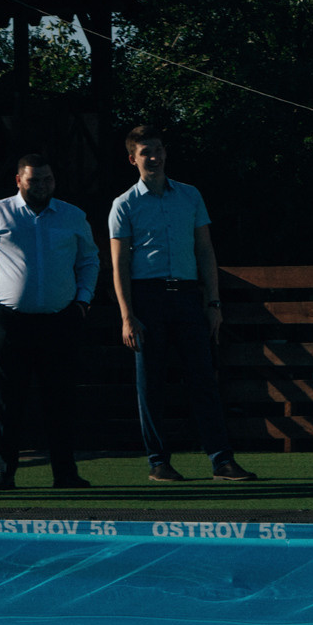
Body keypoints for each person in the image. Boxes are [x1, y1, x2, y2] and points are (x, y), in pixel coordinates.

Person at [108, 125, 256, 483]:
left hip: (189, 296)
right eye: (145, 152)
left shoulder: (190, 196)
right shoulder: (124, 204)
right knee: (151, 384)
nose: (154, 157)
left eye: (158, 149)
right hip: (147, 299)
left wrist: (213, 301)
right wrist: (127, 316)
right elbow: (119, 264)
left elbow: (205, 250)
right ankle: (158, 462)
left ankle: (222, 460)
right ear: (133, 159)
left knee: (203, 380)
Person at [0, 154, 101, 491]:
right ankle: (3, 472)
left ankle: (65, 473)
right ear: (18, 180)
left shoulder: (72, 215)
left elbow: (89, 260)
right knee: (5, 400)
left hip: (60, 320)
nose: (41, 186)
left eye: (47, 180)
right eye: (34, 180)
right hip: (7, 320)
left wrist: (82, 301)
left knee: (62, 399)